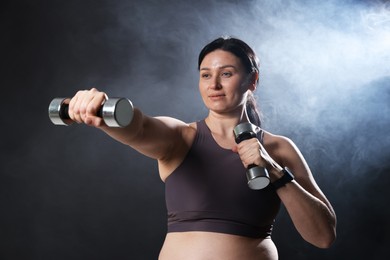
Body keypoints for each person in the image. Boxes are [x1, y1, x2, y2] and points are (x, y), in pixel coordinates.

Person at [67, 36, 336, 259]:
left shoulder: (279, 148)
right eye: (206, 75)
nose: (214, 85)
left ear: (252, 81)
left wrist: (276, 173)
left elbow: (323, 236)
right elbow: (139, 127)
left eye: (226, 74)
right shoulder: (181, 138)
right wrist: (102, 113)